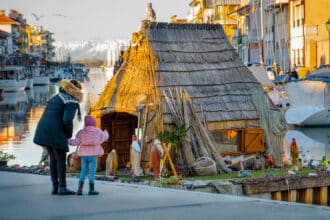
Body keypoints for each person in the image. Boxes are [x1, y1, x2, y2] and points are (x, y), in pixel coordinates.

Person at [33, 79, 83, 195]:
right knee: (60, 160)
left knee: (53, 159)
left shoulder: (57, 97)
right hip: (56, 130)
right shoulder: (71, 100)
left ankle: (55, 187)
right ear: (76, 90)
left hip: (44, 129)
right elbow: (67, 120)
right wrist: (68, 135)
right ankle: (62, 187)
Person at [68, 115, 108, 195]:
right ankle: (91, 190)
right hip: (93, 155)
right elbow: (104, 137)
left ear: (86, 123)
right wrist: (106, 132)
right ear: (94, 123)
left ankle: (79, 189)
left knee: (83, 171)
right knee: (92, 172)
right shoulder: (98, 132)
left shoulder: (81, 132)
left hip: (84, 155)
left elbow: (76, 142)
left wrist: (68, 141)